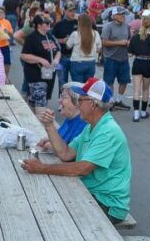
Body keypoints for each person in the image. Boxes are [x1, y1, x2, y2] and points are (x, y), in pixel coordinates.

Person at [22, 78, 131, 224]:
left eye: (81, 99)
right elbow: (65, 153)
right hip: (92, 194)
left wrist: (42, 168)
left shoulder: (107, 131)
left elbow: (83, 168)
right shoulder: (91, 126)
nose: (78, 103)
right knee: (45, 204)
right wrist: (49, 126)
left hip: (107, 203)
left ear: (93, 104)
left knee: (52, 216)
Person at [20, 15, 61, 109]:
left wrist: (56, 59)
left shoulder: (50, 35)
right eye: (46, 23)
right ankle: (40, 120)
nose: (49, 24)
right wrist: (40, 60)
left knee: (38, 102)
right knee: (41, 104)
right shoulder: (32, 38)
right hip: (36, 75)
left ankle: (32, 119)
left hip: (49, 75)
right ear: (38, 25)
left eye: (49, 22)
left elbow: (58, 50)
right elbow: (24, 55)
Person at [37, 82, 89, 149]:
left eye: (64, 97)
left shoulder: (83, 124)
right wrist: (49, 139)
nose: (59, 100)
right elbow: (60, 137)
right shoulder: (69, 118)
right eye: (60, 97)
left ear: (77, 102)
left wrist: (51, 145)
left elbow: (70, 152)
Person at [128, 16, 150, 122]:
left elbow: (130, 53)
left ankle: (136, 114)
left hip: (137, 62)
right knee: (146, 89)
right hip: (148, 63)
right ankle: (143, 112)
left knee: (136, 90)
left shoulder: (135, 38)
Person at [101, 7, 131, 111]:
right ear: (113, 16)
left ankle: (119, 101)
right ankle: (111, 101)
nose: (122, 16)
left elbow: (129, 39)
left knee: (124, 81)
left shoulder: (127, 26)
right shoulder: (107, 27)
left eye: (123, 14)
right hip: (111, 58)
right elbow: (104, 42)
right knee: (109, 81)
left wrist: (129, 44)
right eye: (120, 14)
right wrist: (119, 42)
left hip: (123, 58)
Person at [67, 13, 101, 83]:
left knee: (78, 87)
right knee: (87, 87)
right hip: (91, 62)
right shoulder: (96, 33)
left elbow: (68, 46)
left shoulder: (75, 34)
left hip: (77, 62)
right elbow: (99, 49)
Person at [52, 3, 79, 90]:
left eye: (74, 11)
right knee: (62, 82)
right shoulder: (59, 24)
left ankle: (77, 103)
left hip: (76, 57)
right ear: (65, 11)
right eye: (70, 11)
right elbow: (51, 39)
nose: (72, 13)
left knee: (77, 83)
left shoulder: (78, 23)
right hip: (62, 57)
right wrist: (61, 40)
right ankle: (62, 103)